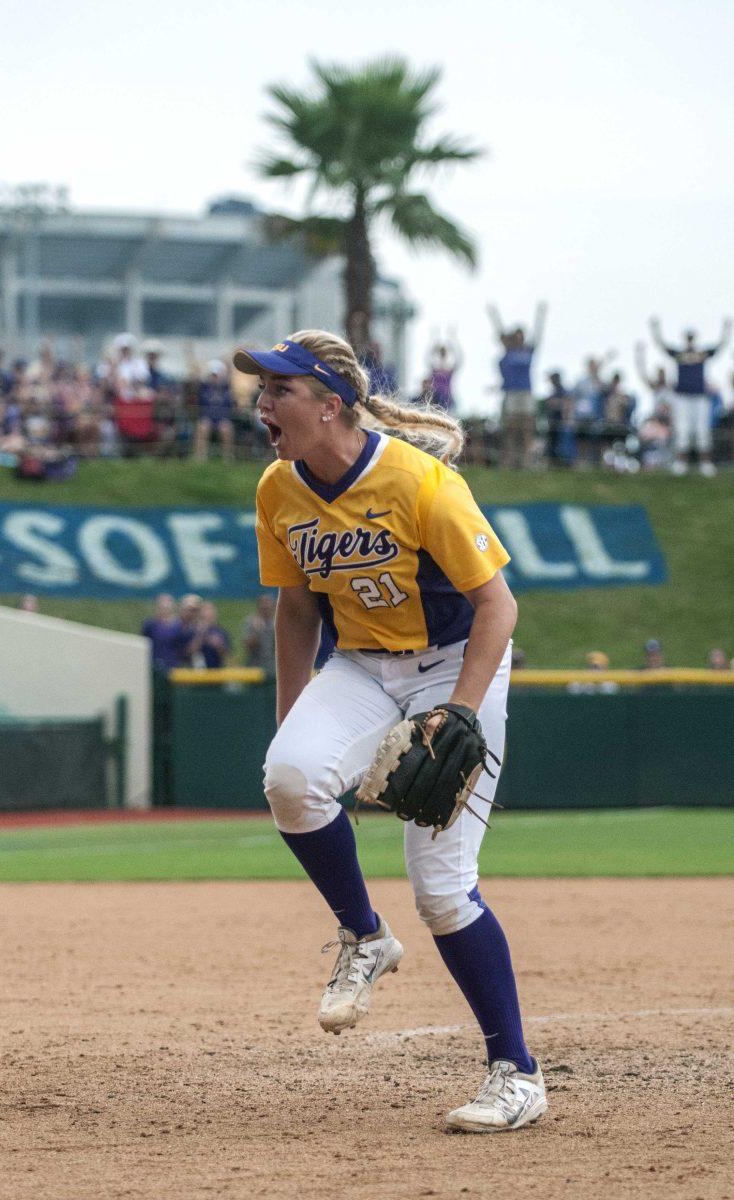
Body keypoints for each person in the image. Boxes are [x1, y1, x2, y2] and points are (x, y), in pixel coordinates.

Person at [232, 328, 546, 1135]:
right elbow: (297, 606)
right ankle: (365, 936)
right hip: (365, 666)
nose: (262, 405)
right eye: (261, 390)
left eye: (279, 391)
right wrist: (292, 721)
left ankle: (517, 1075)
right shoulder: (279, 487)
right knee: (290, 779)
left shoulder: (421, 482)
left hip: (453, 665)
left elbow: (499, 607)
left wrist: (462, 711)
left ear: (330, 405)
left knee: (442, 889)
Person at [649, 318, 732, 476]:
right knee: (683, 429)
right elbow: (661, 345)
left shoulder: (701, 354)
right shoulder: (679, 354)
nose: (690, 339)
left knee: (702, 430)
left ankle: (705, 464)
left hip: (700, 397)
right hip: (682, 397)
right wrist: (656, 329)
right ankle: (681, 463)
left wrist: (726, 329)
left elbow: (720, 346)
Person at [487, 302, 547, 469]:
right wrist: (493, 314)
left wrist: (541, 315)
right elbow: (500, 330)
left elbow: (538, 334)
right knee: (511, 428)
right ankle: (510, 461)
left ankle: (527, 461)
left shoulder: (528, 351)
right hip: (512, 394)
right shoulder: (508, 353)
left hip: (526, 393)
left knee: (527, 427)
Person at [189, 600, 231, 668]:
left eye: (210, 610)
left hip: (216, 671)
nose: (207, 613)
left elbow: (226, 655)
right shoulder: (192, 630)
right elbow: (189, 652)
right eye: (205, 610)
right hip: (196, 673)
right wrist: (201, 635)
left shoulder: (221, 631)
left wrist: (218, 645)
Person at [243, 594, 277, 675]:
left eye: (268, 604)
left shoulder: (277, 623)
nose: (266, 607)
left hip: (273, 667)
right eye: (263, 604)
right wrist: (257, 631)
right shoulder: (250, 622)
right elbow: (247, 647)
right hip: (255, 666)